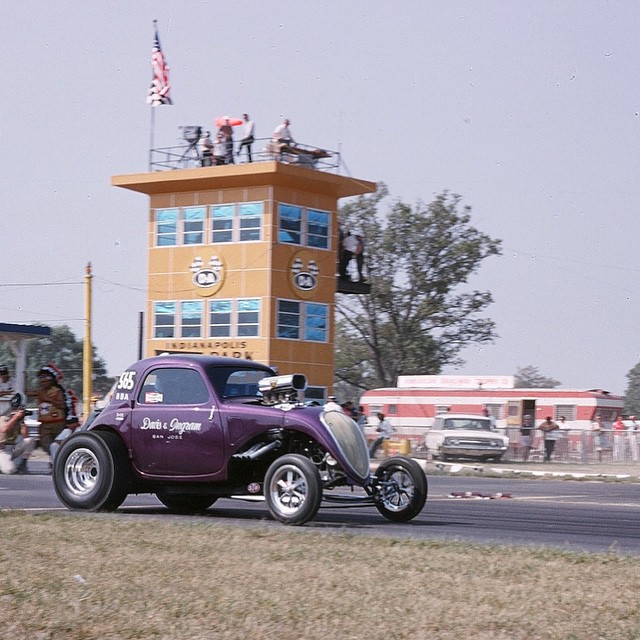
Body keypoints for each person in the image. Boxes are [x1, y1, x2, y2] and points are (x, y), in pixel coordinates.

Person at [27, 364, 68, 458]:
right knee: (45, 444)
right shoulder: (39, 391)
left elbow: (62, 405)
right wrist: (25, 378)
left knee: (59, 444)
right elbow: (26, 393)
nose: (44, 380)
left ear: (52, 380)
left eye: (46, 377)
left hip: (58, 422)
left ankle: (57, 461)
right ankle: (55, 459)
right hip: (44, 424)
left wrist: (48, 399)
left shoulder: (57, 391)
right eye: (41, 378)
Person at [0, 404, 35, 474]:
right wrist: (15, 417)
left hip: (12, 448)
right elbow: (4, 429)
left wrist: (22, 422)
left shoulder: (18, 422)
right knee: (10, 470)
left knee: (29, 440)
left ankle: (23, 464)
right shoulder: (4, 418)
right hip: (2, 449)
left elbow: (26, 436)